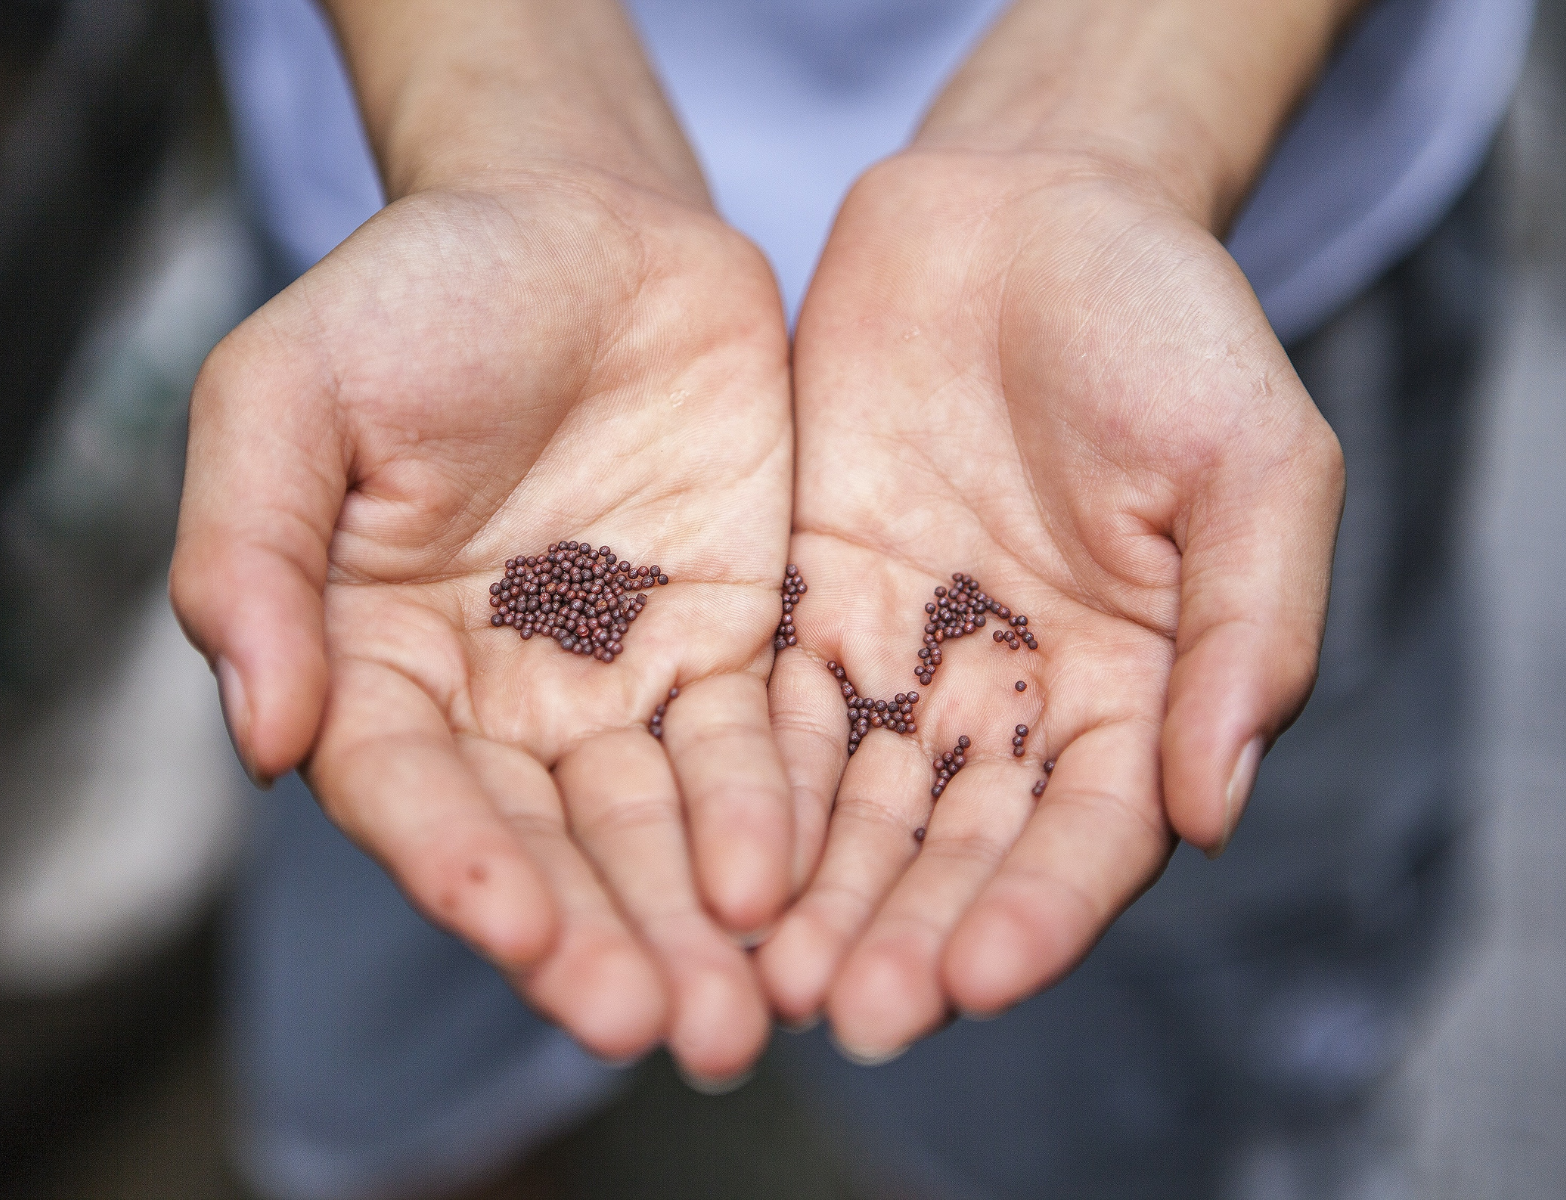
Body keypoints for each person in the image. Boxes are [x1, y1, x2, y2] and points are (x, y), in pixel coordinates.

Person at [172, 0, 1532, 1195]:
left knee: (1111, 1106)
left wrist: (1113, 117)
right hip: (461, 345)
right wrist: (501, 104)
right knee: (399, 1029)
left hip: (1181, 290)